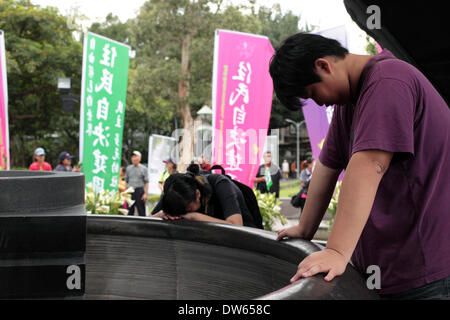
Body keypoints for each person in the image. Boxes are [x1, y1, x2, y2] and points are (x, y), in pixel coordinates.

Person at [270, 32, 450, 299]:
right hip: (388, 269)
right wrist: (306, 228)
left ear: (323, 65)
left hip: (423, 271)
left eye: (312, 93)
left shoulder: (388, 81)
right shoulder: (351, 101)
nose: (319, 102)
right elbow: (327, 166)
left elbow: (370, 165)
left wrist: (336, 252)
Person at [152, 164, 258, 228]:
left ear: (197, 194)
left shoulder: (221, 185)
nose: (184, 214)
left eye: (187, 209)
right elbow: (146, 220)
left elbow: (236, 225)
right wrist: (161, 214)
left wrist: (195, 216)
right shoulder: (174, 190)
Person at [125, 151, 149, 217]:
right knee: (129, 210)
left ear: (140, 158)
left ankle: (143, 225)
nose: (134, 158)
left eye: (135, 156)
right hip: (130, 191)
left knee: (141, 210)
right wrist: (125, 192)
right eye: (132, 157)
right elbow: (126, 181)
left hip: (139, 191)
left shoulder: (144, 169)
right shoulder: (128, 168)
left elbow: (146, 182)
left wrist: (145, 194)